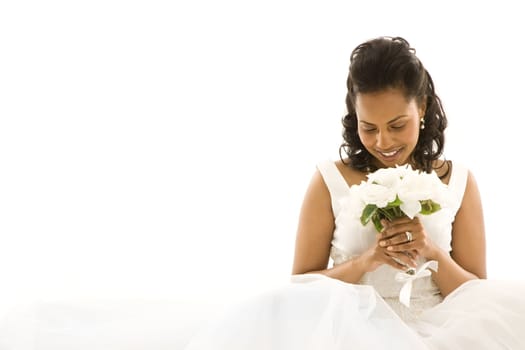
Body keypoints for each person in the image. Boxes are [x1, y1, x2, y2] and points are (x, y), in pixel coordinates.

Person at [184, 36, 525, 349]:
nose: (383, 142)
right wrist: (367, 261)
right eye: (368, 127)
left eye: (396, 126)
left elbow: (476, 292)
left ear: (421, 108)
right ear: (354, 117)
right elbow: (301, 285)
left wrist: (430, 251)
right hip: (351, 332)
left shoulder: (458, 179)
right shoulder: (328, 179)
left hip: (444, 334)